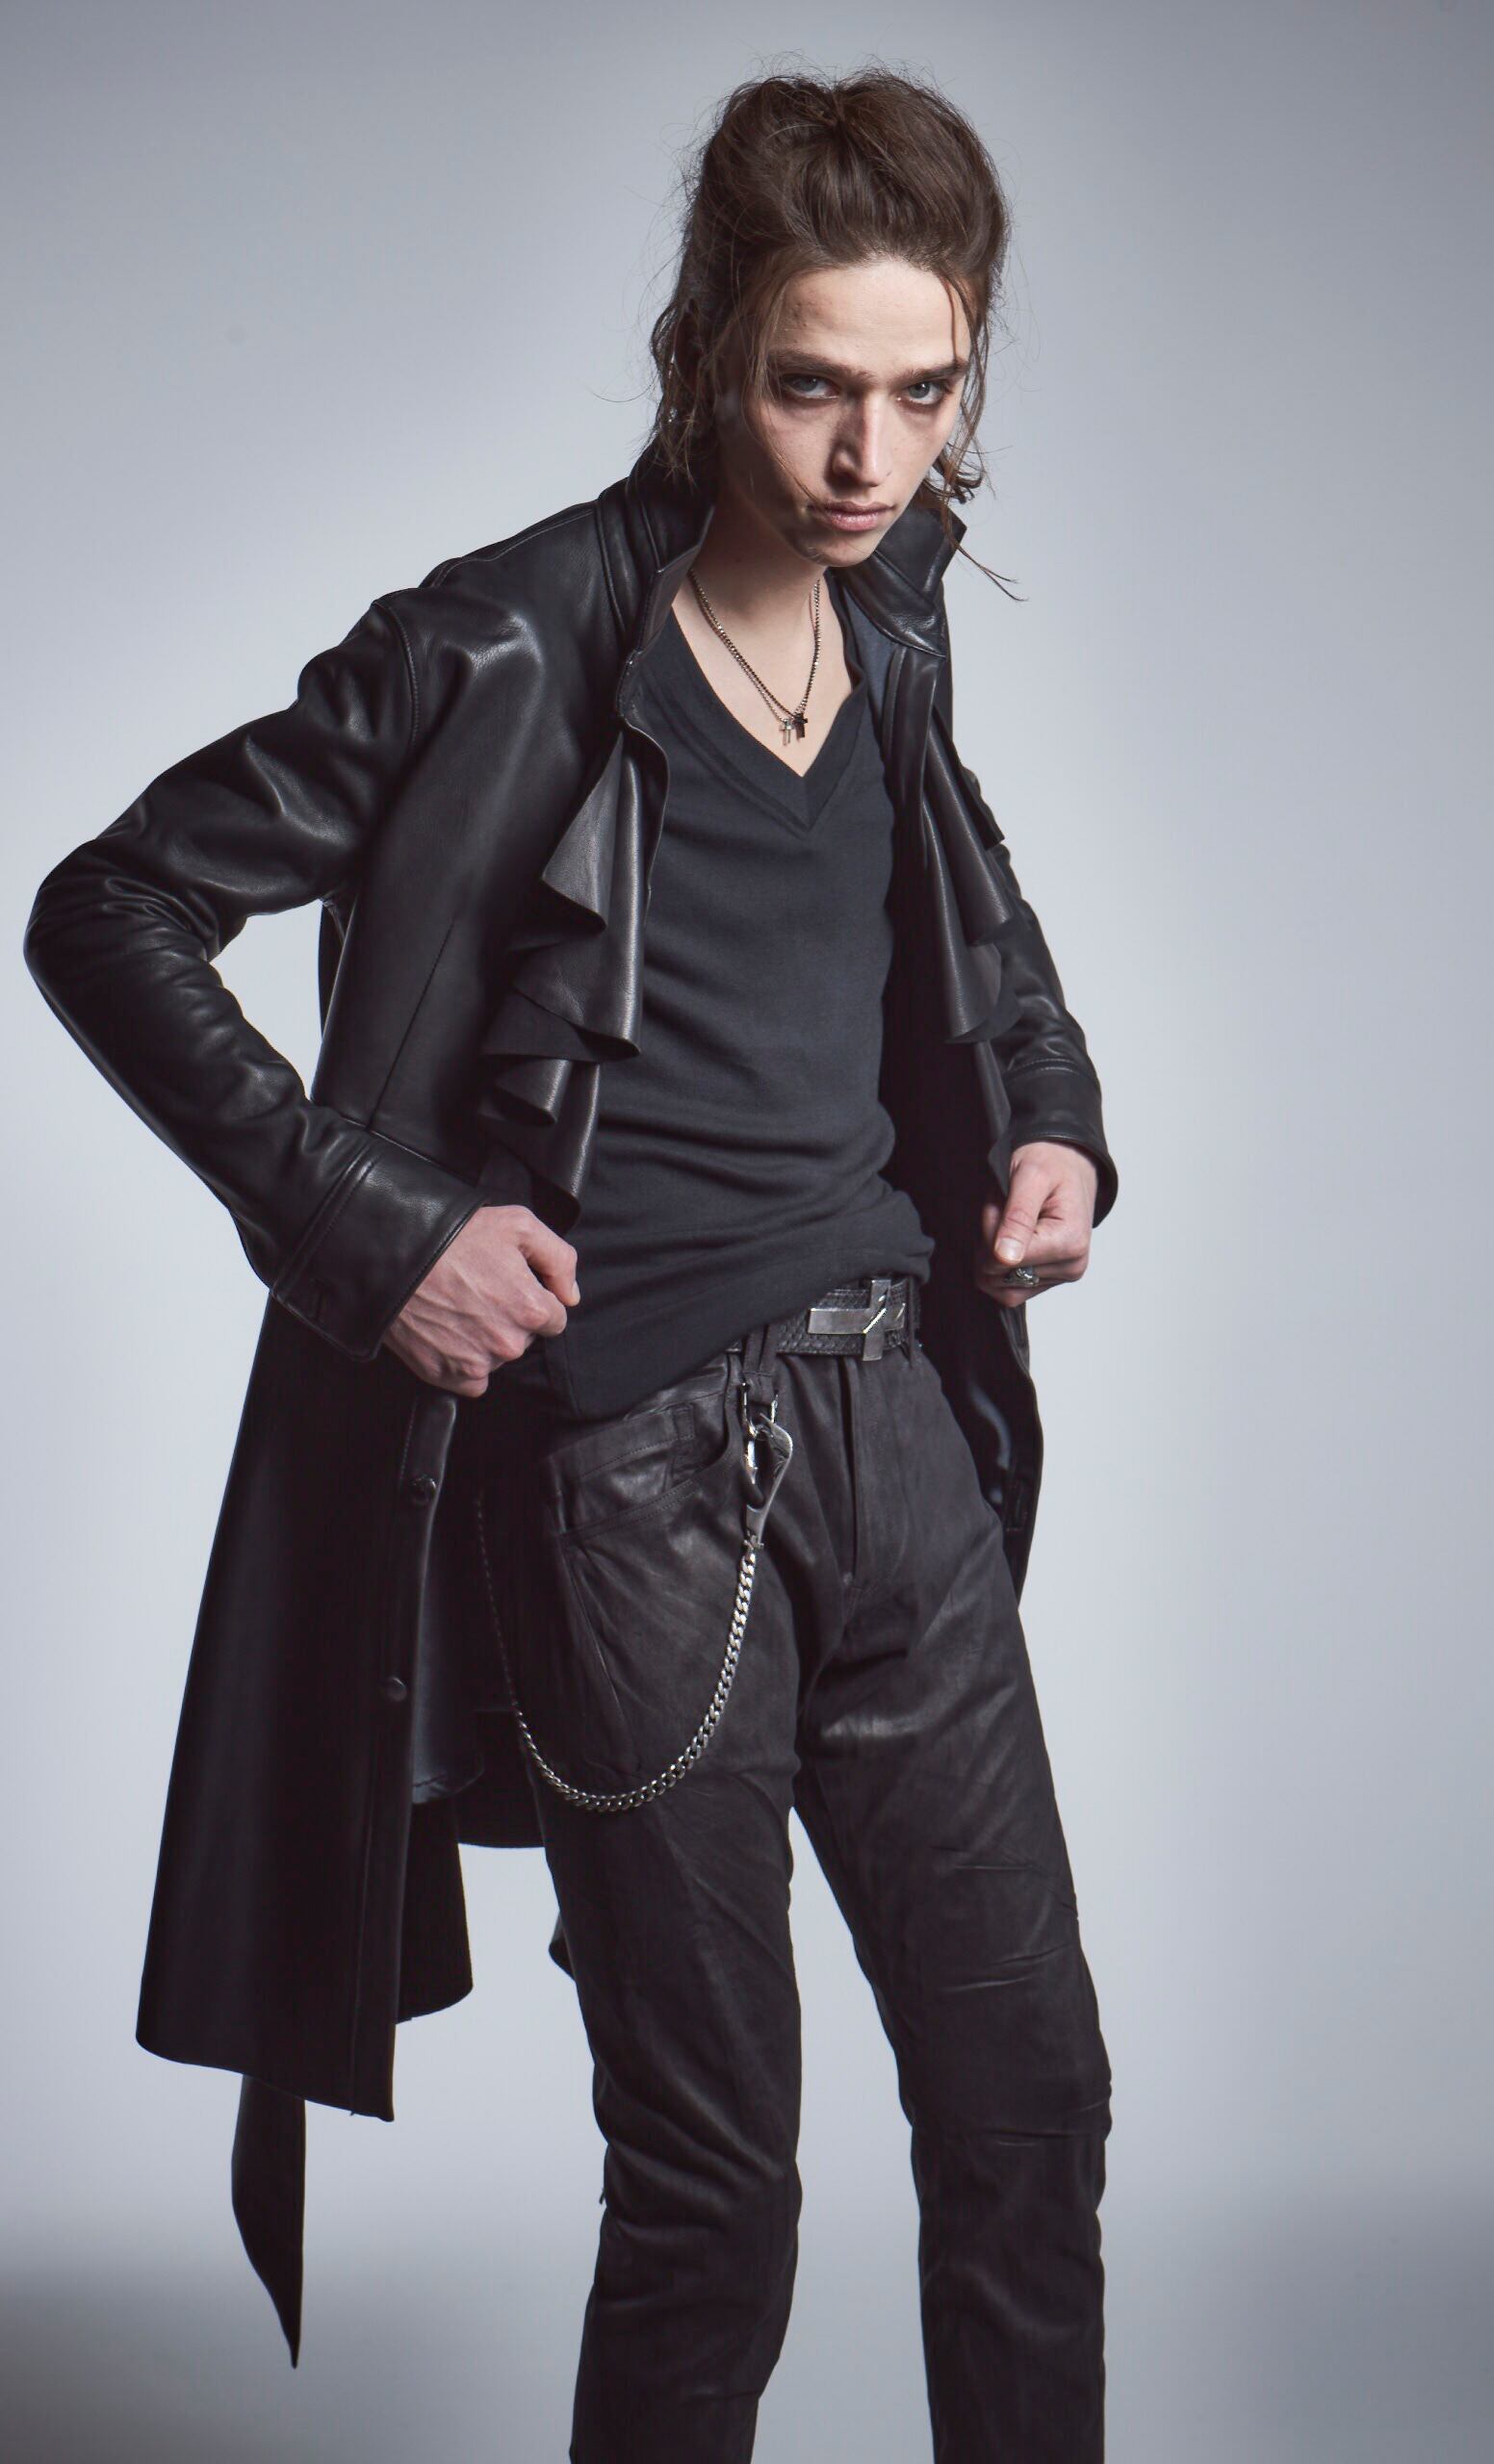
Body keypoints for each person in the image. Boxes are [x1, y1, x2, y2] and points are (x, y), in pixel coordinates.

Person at [24, 65, 1120, 2464]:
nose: (869, 454)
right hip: (635, 1483)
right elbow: (106, 906)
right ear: (705, 346)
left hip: (901, 1436)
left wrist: (1048, 1112)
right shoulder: (504, 639)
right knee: (719, 2191)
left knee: (1030, 2112)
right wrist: (374, 1227)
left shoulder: (892, 606)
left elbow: (965, 901)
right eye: (810, 386)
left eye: (924, 390)